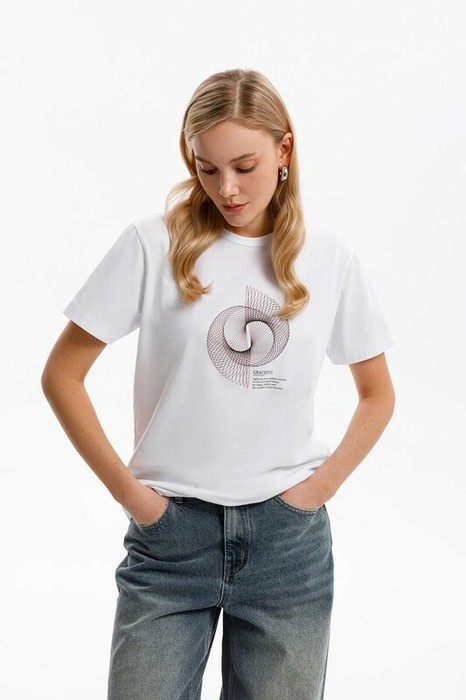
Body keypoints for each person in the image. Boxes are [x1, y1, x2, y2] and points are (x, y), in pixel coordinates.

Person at [41, 68, 396, 700]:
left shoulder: (330, 258)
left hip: (288, 543)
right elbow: (62, 375)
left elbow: (378, 393)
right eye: (207, 168)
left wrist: (317, 490)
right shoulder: (152, 244)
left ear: (284, 151)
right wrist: (135, 498)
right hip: (169, 538)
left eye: (244, 166)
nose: (226, 188)